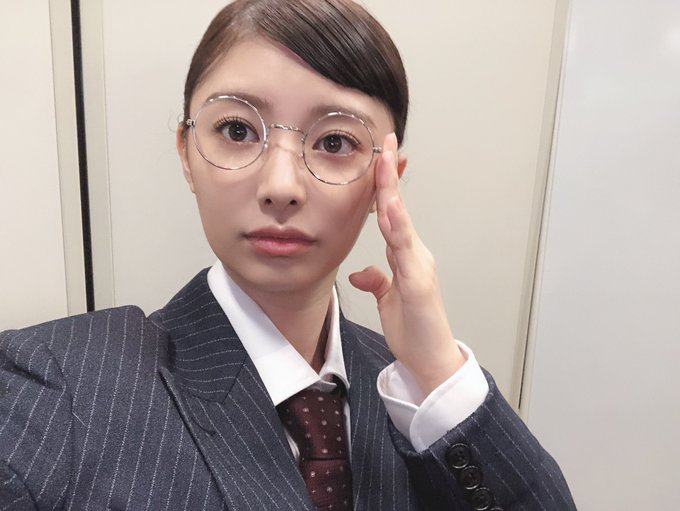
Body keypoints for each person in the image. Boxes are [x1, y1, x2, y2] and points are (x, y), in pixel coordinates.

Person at [0, 1, 575, 509]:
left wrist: (438, 373)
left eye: (335, 142)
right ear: (186, 153)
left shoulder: (421, 396)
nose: (281, 186)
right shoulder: (57, 386)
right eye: (237, 130)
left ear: (386, 179)